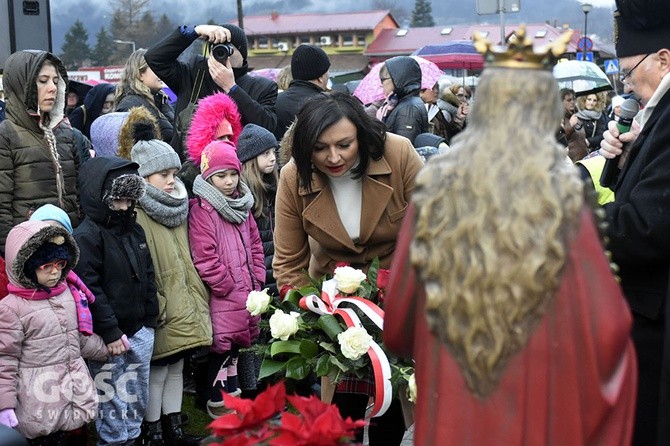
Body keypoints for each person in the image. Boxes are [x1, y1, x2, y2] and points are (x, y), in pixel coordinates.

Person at [384, 27, 637, 445]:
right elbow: (608, 328)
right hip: (545, 401)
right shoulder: (563, 193)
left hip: (455, 399)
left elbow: (398, 325)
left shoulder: (436, 189)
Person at [272, 91, 424, 445]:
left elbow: (439, 233)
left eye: (344, 144)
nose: (333, 157)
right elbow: (288, 263)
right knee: (341, 416)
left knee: (397, 405)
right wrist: (317, 314)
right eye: (320, 148)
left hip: (403, 295)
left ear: (362, 135)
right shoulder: (294, 177)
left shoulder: (399, 154)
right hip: (335, 306)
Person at [598, 3, 670, 444]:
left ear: (664, 59)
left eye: (629, 73)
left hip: (656, 317)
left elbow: (647, 225)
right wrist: (622, 159)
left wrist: (563, 215)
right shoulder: (655, 114)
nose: (626, 86)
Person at [121, 119, 211, 445]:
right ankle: (153, 429)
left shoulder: (178, 205)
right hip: (159, 302)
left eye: (174, 174)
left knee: (177, 364)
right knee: (157, 369)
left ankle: (174, 426)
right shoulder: (137, 212)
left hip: (183, 297)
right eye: (165, 176)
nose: (173, 182)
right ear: (143, 177)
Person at [74, 156, 158, 445]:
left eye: (129, 200)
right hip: (109, 337)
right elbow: (89, 290)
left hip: (139, 330)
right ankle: (113, 441)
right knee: (111, 396)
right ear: (100, 198)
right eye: (117, 201)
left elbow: (148, 274)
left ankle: (132, 437)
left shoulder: (134, 229)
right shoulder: (87, 237)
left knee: (136, 393)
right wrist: (109, 330)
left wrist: (150, 319)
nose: (124, 208)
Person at [0, 220, 109, 443]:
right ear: (26, 266)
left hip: (73, 393)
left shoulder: (67, 295)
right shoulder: (10, 309)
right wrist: (5, 405)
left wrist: (107, 348)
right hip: (38, 402)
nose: (55, 272)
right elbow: (5, 361)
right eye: (46, 266)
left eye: (60, 264)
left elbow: (76, 338)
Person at [188, 140, 264, 418]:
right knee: (221, 348)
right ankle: (216, 402)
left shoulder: (242, 207)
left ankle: (234, 400)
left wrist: (257, 276)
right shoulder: (202, 210)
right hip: (224, 295)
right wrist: (226, 285)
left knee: (237, 347)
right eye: (221, 176)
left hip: (246, 291)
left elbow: (255, 244)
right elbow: (204, 256)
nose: (229, 181)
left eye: (233, 174)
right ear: (208, 177)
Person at [145, 24, 278, 157]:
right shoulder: (195, 73)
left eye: (228, 48)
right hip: (188, 169)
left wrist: (232, 88)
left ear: (242, 54)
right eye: (216, 47)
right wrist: (195, 31)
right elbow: (155, 58)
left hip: (233, 171)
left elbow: (267, 126)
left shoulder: (263, 87)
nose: (221, 52)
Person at [0, 50, 81, 254]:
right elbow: (1, 204)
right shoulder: (6, 134)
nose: (52, 88)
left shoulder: (65, 132)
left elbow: (80, 191)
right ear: (22, 86)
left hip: (69, 244)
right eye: (43, 81)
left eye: (56, 81)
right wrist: (12, 254)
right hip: (29, 248)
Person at [115, 49, 175, 145]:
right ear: (139, 74)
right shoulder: (130, 106)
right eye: (155, 67)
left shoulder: (160, 99)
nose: (161, 72)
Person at [273, 44, 330, 140]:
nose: (328, 76)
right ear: (320, 77)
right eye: (327, 72)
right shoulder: (325, 104)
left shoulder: (275, 102)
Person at [376, 56, 428, 145]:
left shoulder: (408, 108)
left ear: (397, 79)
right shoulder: (403, 103)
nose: (381, 85)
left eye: (383, 80)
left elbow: (403, 150)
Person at [556, 88, 589, 162]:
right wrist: (570, 125)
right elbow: (559, 140)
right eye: (569, 100)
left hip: (584, 159)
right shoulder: (558, 118)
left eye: (574, 99)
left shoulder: (576, 115)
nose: (573, 102)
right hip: (571, 162)